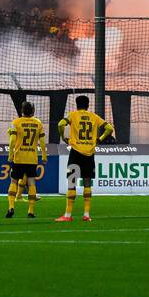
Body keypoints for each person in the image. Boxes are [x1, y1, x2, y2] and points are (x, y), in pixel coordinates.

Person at [55, 95, 114, 223]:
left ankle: (68, 214)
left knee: (72, 182)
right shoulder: (94, 117)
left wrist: (63, 136)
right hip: (89, 154)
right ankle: (86, 214)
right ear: (88, 104)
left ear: (77, 104)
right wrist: (100, 139)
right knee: (87, 183)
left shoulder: (73, 115)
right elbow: (109, 128)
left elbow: (60, 124)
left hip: (76, 153)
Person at [6, 101, 46, 219]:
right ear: (33, 111)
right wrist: (44, 156)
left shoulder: (16, 122)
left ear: (22, 110)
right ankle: (31, 211)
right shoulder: (38, 123)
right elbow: (42, 142)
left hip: (18, 158)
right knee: (32, 183)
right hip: (32, 158)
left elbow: (12, 141)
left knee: (13, 181)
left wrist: (10, 155)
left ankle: (11, 207)